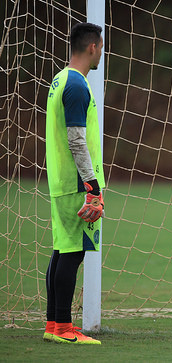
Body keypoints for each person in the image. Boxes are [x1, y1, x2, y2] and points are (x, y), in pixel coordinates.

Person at [43, 22, 106, 344]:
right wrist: (92, 187)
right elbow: (76, 141)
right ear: (92, 47)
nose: (101, 54)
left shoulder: (60, 79)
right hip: (76, 184)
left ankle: (54, 325)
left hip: (62, 181)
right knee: (72, 254)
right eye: (101, 47)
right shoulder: (77, 85)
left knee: (62, 251)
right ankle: (65, 329)